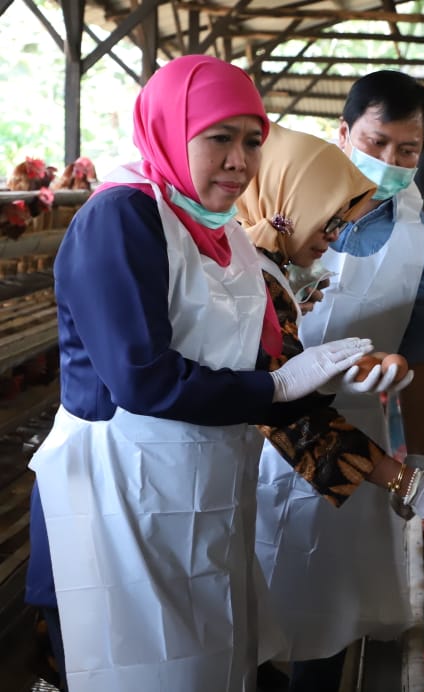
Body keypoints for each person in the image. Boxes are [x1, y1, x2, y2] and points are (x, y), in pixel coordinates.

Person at [24, 55, 372, 692]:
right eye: (220, 137)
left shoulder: (228, 236)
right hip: (118, 501)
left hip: (202, 497)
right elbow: (142, 378)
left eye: (253, 141)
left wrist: (324, 383)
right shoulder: (122, 219)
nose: (240, 160)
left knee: (212, 665)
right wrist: (273, 389)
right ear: (169, 128)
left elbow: (256, 361)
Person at [242, 122, 424, 691]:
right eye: (327, 221)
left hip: (313, 455)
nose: (333, 238)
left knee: (306, 612)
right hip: (239, 465)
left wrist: (366, 365)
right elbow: (288, 418)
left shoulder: (270, 266)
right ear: (285, 201)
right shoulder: (242, 273)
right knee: (249, 629)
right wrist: (410, 484)